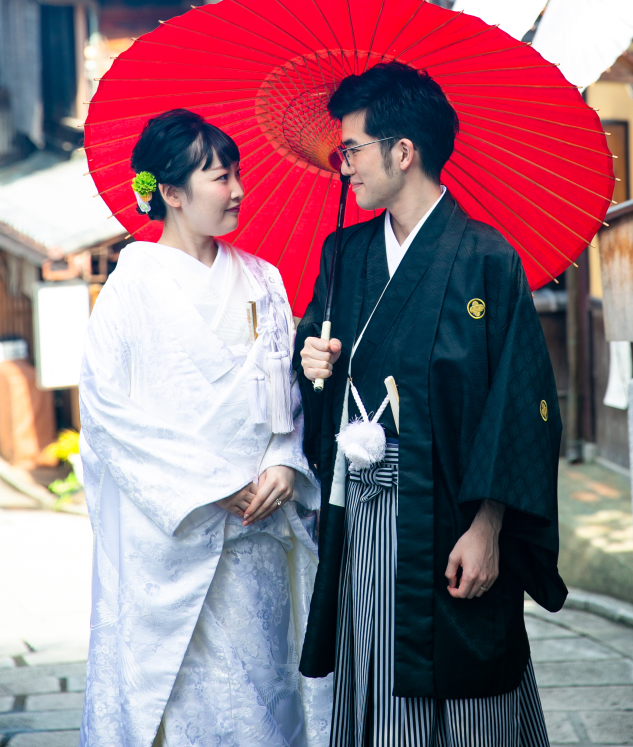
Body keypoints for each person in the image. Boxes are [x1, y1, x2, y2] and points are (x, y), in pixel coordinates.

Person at [294, 62, 565, 747]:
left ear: (403, 152)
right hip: (366, 514)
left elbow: (520, 402)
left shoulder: (485, 260)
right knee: (376, 679)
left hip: (453, 518)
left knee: (470, 687)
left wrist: (489, 527)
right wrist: (313, 364)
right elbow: (313, 375)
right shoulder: (344, 255)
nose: (343, 165)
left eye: (352, 148)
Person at [79, 109, 331, 747]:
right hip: (179, 531)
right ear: (170, 192)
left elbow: (286, 397)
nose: (238, 190)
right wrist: (212, 483)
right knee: (187, 700)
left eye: (237, 174)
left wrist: (283, 461)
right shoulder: (130, 288)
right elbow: (108, 415)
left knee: (268, 688)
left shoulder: (263, 280)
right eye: (220, 177)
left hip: (259, 529)